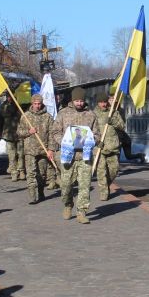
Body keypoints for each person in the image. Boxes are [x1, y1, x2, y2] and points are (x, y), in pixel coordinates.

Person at [50, 86, 99, 224]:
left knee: (85, 185)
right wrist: (64, 142)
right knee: (66, 185)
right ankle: (68, 204)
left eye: (81, 101)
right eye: (77, 100)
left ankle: (81, 212)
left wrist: (92, 140)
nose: (79, 103)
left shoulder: (91, 114)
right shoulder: (63, 113)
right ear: (72, 100)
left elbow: (97, 133)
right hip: (68, 156)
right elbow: (55, 131)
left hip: (85, 156)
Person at [17, 93, 54, 204]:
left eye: (39, 104)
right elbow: (19, 132)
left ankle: (41, 192)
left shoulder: (47, 116)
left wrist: (51, 149)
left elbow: (52, 134)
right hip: (30, 150)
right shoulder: (26, 116)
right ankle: (33, 197)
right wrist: (29, 132)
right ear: (32, 104)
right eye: (35, 104)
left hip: (43, 149)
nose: (37, 106)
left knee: (42, 174)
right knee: (31, 173)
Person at [93, 93, 125, 201]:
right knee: (101, 171)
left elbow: (122, 126)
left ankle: (105, 185)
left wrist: (113, 121)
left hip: (113, 146)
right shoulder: (93, 114)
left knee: (114, 170)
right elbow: (88, 131)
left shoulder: (114, 112)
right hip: (99, 148)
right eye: (101, 102)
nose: (104, 104)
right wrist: (96, 141)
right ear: (98, 102)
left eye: (105, 102)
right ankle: (104, 192)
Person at [0, 95, 25, 181]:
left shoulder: (20, 105)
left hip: (20, 133)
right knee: (12, 155)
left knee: (21, 154)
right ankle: (14, 172)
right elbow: (2, 117)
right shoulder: (4, 106)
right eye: (8, 96)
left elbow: (24, 117)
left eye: (12, 96)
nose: (10, 98)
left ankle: (21, 170)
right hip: (9, 133)